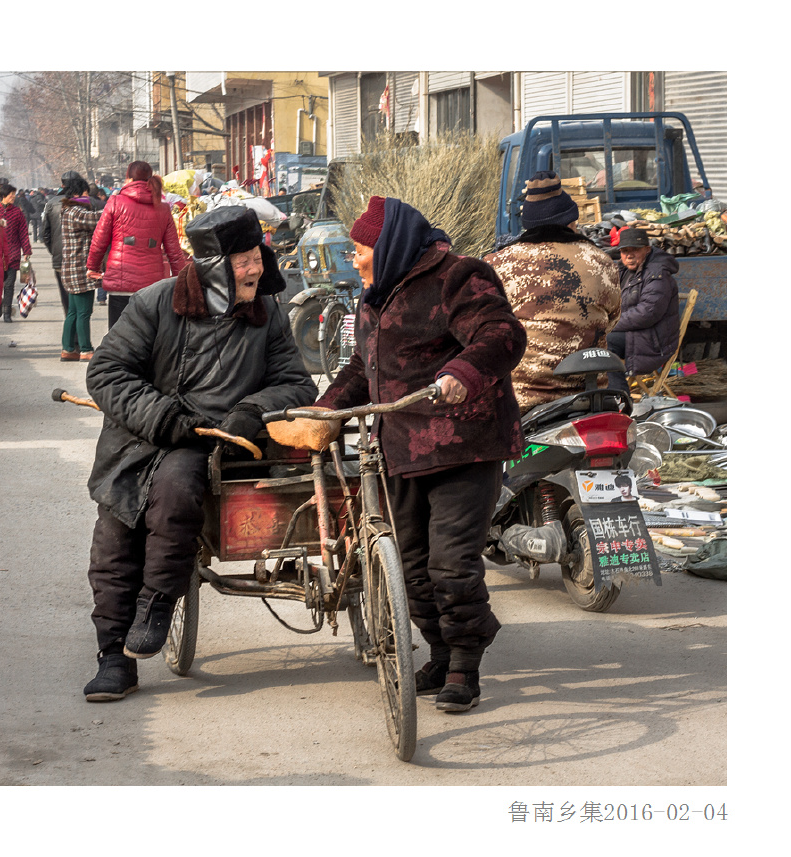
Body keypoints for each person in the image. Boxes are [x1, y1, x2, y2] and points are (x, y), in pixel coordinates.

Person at [271, 197, 526, 713]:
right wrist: (322, 413)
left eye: (361, 249)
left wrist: (463, 374)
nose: (356, 259)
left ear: (389, 247)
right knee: (410, 570)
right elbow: (363, 371)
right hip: (398, 449)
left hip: (464, 446)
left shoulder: (460, 277)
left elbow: (501, 335)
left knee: (451, 566)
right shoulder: (375, 295)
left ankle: (463, 665)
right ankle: (439, 650)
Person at [80, 206, 318, 701]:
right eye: (243, 261)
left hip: (225, 447)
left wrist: (253, 410)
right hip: (143, 440)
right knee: (114, 540)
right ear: (211, 268)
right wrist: (163, 417)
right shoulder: (154, 304)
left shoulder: (267, 311)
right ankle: (112, 657)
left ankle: (157, 602)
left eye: (258, 257)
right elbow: (106, 373)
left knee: (178, 491)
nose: (255, 269)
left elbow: (295, 383)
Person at [484, 171, 621, 411]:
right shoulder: (601, 261)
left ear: (527, 224)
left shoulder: (498, 264)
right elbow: (610, 320)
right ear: (570, 222)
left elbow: (485, 328)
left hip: (522, 401)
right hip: (590, 397)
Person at [85, 160, 188, 331]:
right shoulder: (162, 209)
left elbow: (99, 240)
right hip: (151, 287)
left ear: (129, 179)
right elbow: (175, 252)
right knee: (147, 340)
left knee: (118, 339)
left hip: (120, 283)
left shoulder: (115, 202)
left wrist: (92, 267)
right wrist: (181, 282)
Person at [605, 226, 681, 392]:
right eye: (625, 251)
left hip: (653, 339)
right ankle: (600, 394)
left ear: (647, 250)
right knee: (589, 338)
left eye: (635, 250)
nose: (629, 255)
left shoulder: (657, 274)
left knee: (604, 343)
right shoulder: (624, 271)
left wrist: (609, 324)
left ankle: (618, 397)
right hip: (635, 333)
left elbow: (647, 313)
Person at [58, 178, 102, 360]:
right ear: (78, 193)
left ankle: (68, 349)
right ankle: (85, 349)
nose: (88, 197)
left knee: (73, 312)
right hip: (79, 270)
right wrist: (115, 204)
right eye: (86, 193)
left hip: (70, 268)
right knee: (84, 312)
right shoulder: (76, 212)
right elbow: (97, 218)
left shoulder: (68, 210)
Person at [42, 172, 86, 315]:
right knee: (81, 300)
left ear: (62, 185)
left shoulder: (51, 203)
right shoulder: (84, 202)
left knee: (66, 299)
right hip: (80, 257)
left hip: (59, 258)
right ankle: (80, 334)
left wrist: (55, 250)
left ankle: (71, 333)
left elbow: (45, 234)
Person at [0, 184, 33, 324]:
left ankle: (7, 312)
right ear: (4, 195)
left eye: (14, 194)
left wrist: (27, 251)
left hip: (12, 255)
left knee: (9, 285)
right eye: (11, 194)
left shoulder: (17, 212)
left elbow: (23, 232)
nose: (14, 197)